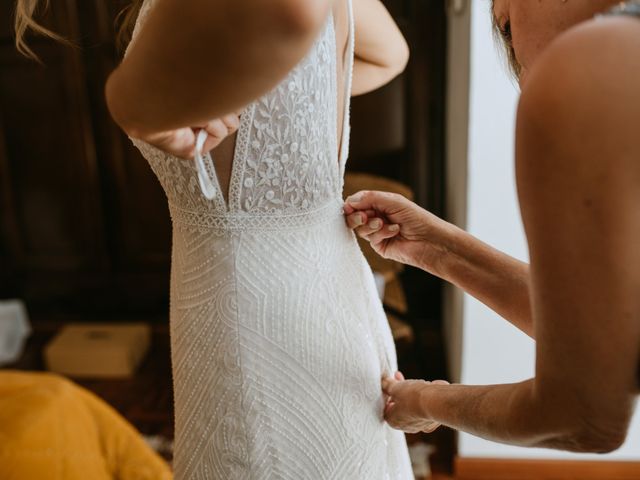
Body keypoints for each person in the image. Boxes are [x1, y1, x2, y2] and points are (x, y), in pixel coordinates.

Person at [15, 0, 415, 477]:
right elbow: (388, 54)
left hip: (255, 322)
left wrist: (128, 104)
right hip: (322, 294)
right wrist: (283, 94)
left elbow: (294, 11)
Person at [344, 0, 640, 453]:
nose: (514, 56)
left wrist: (423, 399)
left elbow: (582, 417)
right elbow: (610, 338)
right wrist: (439, 249)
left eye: (502, 25)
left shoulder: (595, 65)